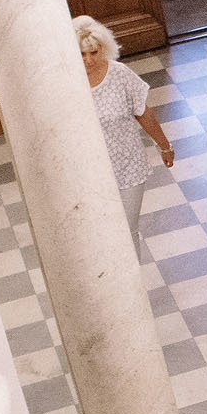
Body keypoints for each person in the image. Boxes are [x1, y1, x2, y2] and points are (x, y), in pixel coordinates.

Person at [78, 15, 171, 259]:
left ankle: (133, 281)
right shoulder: (68, 83)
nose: (88, 60)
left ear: (104, 48)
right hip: (90, 173)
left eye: (94, 52)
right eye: (81, 54)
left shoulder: (120, 74)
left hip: (129, 166)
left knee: (128, 231)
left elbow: (143, 112)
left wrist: (164, 146)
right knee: (101, 235)